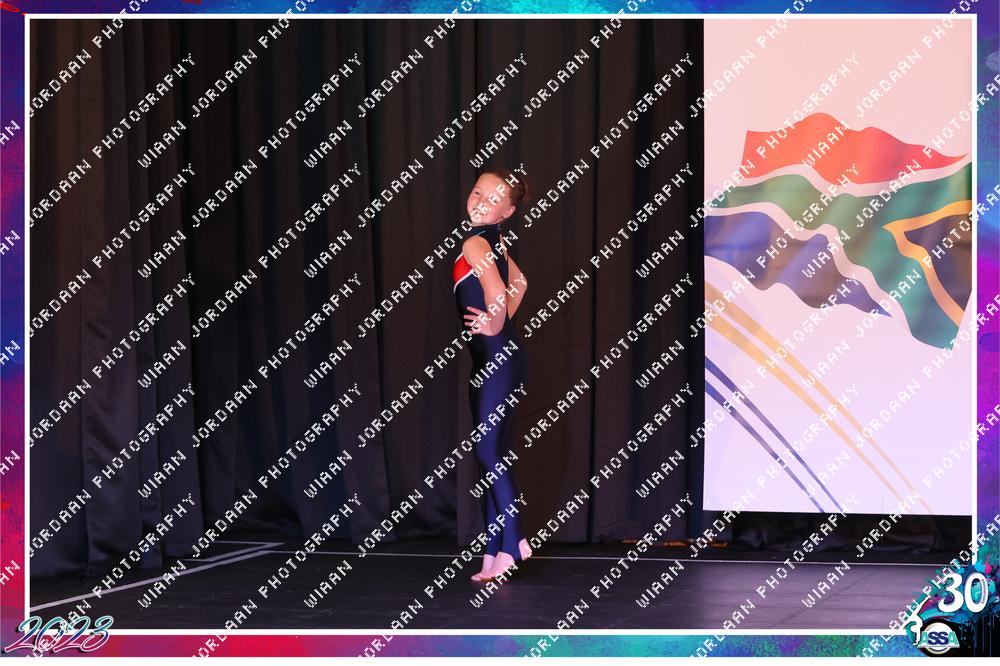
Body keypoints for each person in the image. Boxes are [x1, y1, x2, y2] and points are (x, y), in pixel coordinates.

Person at [452, 167, 533, 582]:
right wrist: (500, 324)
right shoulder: (494, 240)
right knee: (493, 456)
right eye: (477, 192)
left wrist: (494, 324)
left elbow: (499, 291)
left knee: (487, 454)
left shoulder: (474, 242)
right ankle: (492, 551)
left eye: (494, 198)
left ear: (508, 211)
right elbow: (520, 283)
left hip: (497, 359)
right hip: (498, 359)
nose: (481, 202)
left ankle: (515, 543)